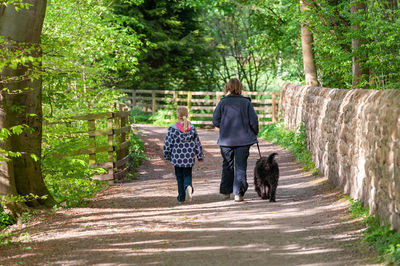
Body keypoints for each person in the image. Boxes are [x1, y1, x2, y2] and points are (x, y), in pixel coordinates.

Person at [212, 78, 259, 202]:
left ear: (228, 87)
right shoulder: (246, 103)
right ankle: (238, 194)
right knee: (240, 166)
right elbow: (254, 121)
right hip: (243, 141)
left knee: (227, 165)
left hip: (226, 141)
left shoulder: (222, 103)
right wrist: (254, 132)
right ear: (240, 87)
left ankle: (226, 192)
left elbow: (215, 120)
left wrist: (225, 127)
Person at [164, 106, 204, 203]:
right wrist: (200, 156)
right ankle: (188, 186)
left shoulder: (173, 129)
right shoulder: (192, 128)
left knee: (179, 176)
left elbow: (168, 143)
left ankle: (181, 197)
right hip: (189, 157)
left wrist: (166, 154)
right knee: (187, 174)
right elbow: (197, 143)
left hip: (177, 157)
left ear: (177, 116)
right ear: (187, 115)